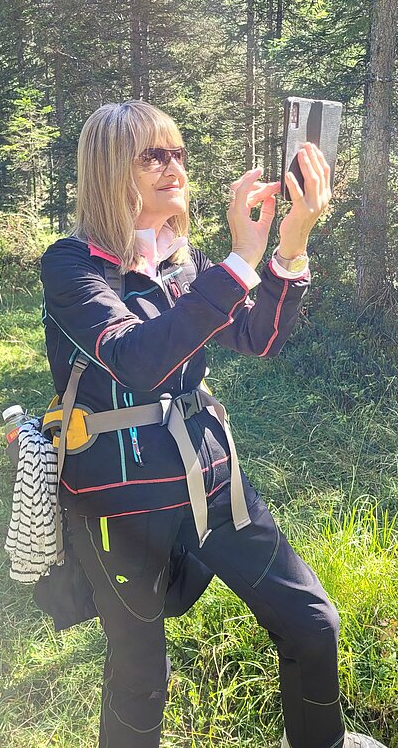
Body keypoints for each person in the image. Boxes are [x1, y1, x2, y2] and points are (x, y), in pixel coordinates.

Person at [40, 100, 385, 748]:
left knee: (312, 623)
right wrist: (239, 262)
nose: (174, 167)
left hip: (212, 485)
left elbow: (260, 336)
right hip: (119, 506)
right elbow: (135, 359)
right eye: (153, 155)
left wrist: (289, 244)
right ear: (112, 169)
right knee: (142, 677)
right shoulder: (73, 267)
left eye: (178, 153)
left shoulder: (180, 262)